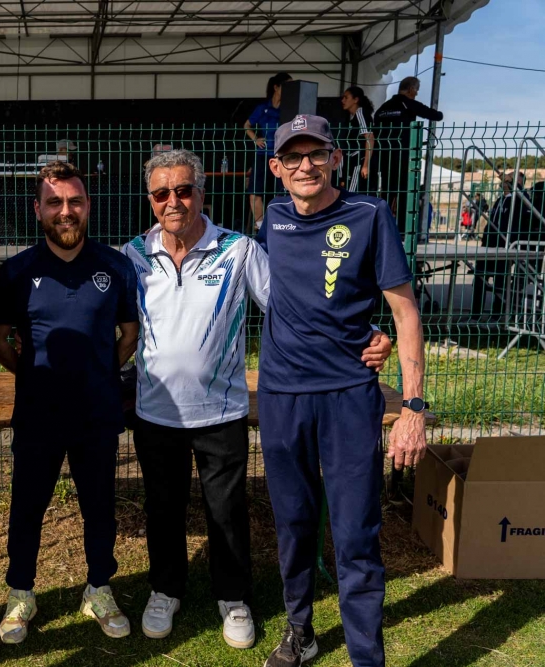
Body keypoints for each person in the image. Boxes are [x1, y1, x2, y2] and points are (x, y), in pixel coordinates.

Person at [121, 149, 392, 649]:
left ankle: (234, 597)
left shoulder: (239, 250)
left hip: (221, 409)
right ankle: (165, 590)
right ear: (151, 200)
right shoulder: (132, 254)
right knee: (163, 507)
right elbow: (113, 324)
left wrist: (366, 333)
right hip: (155, 410)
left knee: (226, 510)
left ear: (201, 193)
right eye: (162, 194)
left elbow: (294, 305)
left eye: (183, 190)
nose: (173, 202)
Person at [258, 115, 426, 667]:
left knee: (355, 533)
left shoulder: (368, 214)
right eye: (293, 156)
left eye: (317, 154)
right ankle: (300, 631)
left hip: (349, 397)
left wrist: (413, 406)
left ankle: (365, 657)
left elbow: (403, 312)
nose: (305, 165)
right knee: (294, 526)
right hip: (282, 398)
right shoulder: (273, 218)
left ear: (334, 158)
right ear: (277, 168)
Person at [0, 161, 140, 644]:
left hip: (97, 412)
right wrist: (33, 375)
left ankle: (98, 587)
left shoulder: (114, 265)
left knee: (99, 507)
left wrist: (96, 371)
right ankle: (21, 593)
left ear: (87, 206)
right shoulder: (17, 270)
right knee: (27, 506)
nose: (66, 211)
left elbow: (129, 334)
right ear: (38, 210)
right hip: (39, 415)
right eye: (54, 202)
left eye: (74, 201)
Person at [373, 77, 444, 235]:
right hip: (405, 157)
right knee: (406, 193)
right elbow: (435, 115)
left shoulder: (383, 108)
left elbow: (375, 130)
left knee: (387, 192)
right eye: (417, 90)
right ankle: (404, 231)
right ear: (411, 89)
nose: (417, 93)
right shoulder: (408, 104)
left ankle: (383, 229)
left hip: (385, 158)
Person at [472, 171, 526, 316]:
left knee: (500, 282)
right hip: (489, 247)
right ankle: (475, 314)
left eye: (509, 180)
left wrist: (515, 186)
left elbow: (525, 197)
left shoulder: (520, 199)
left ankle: (497, 315)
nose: (503, 181)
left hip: (504, 247)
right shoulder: (500, 199)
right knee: (479, 279)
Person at [244, 72, 292, 227]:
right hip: (263, 154)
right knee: (255, 192)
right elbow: (247, 125)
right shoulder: (263, 108)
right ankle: (261, 227)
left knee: (284, 193)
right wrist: (255, 139)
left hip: (283, 155)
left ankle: (281, 225)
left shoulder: (290, 108)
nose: (290, 89)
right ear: (276, 87)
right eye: (287, 86)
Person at [339, 86, 376, 194]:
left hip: (359, 159)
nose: (343, 100)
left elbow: (369, 137)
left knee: (351, 192)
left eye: (346, 97)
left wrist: (365, 165)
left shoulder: (360, 113)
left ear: (356, 99)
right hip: (351, 159)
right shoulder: (349, 116)